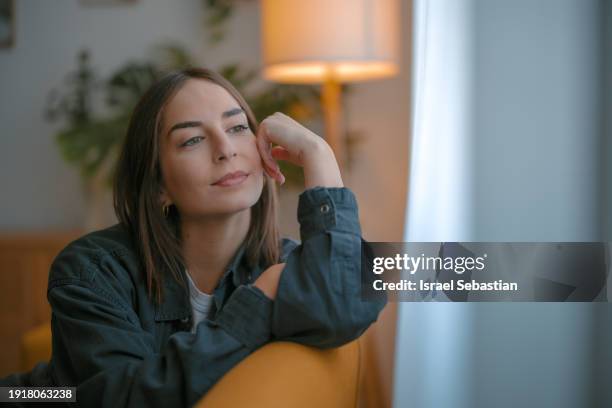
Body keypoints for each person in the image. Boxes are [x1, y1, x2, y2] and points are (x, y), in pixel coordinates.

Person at [0, 67, 386, 407]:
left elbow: (347, 303)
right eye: (192, 140)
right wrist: (261, 299)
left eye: (237, 128)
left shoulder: (286, 262)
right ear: (157, 187)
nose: (225, 150)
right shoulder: (92, 268)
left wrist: (320, 156)